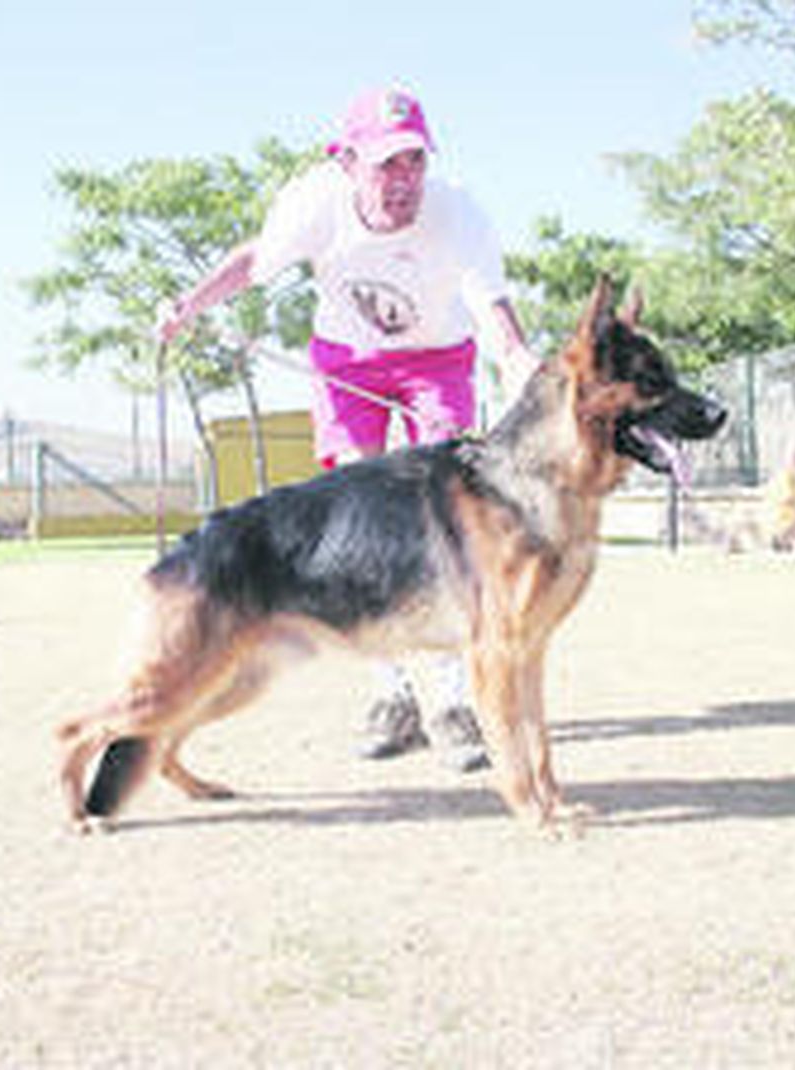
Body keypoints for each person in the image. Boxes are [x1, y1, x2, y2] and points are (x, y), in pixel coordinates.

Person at [158, 85, 540, 773]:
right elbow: (254, 261)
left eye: (414, 162)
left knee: (447, 530)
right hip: (347, 361)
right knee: (364, 533)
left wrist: (519, 363)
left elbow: (495, 308)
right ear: (349, 163)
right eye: (386, 165)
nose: (404, 181)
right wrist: (188, 307)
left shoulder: (459, 211)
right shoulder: (314, 202)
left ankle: (452, 704)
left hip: (438, 360)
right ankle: (391, 696)